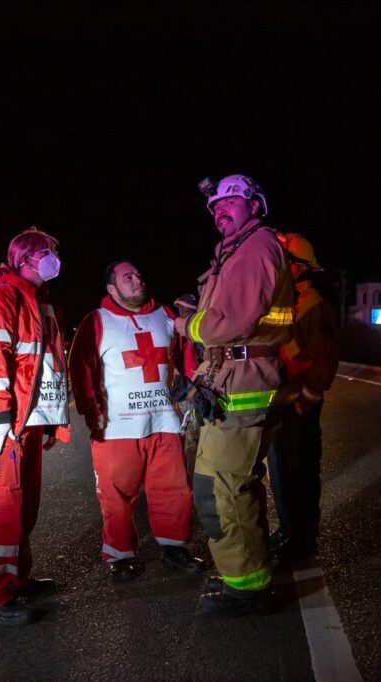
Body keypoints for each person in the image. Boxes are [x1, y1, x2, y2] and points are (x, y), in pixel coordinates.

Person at [174, 174, 294, 615]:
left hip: (243, 382)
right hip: (230, 377)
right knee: (230, 484)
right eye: (215, 207)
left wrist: (189, 325)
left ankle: (248, 590)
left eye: (231, 202)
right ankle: (246, 575)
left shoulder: (257, 247)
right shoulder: (236, 251)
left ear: (254, 205)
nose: (220, 209)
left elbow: (233, 322)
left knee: (222, 487)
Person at [0, 226, 71, 626]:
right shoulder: (3, 297)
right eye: (47, 252)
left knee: (23, 505)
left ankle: (16, 581)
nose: (54, 259)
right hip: (6, 424)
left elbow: (45, 367)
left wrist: (51, 420)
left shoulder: (37, 302)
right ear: (24, 258)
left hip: (28, 422)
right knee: (2, 506)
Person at [68, 260, 205, 583]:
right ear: (112, 289)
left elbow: (185, 353)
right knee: (116, 493)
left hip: (164, 422)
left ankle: (174, 548)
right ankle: (119, 555)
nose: (137, 279)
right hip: (116, 427)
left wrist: (193, 390)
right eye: (127, 276)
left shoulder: (165, 316)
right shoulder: (97, 321)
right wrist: (91, 410)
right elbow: (80, 367)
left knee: (173, 490)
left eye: (139, 274)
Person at [267, 233, 339, 562]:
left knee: (300, 470)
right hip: (280, 401)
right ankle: (289, 530)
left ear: (297, 267)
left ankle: (303, 538)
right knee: (282, 470)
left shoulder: (314, 307)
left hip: (298, 404)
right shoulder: (285, 301)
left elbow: (324, 363)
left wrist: (304, 401)